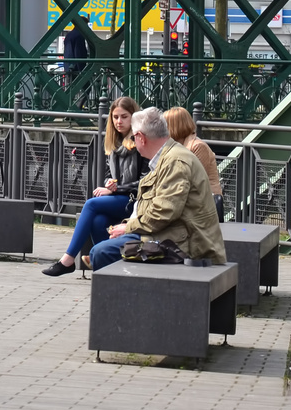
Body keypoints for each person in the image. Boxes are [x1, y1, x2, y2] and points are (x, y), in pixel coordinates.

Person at [86, 106, 225, 271]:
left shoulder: (175, 162)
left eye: (133, 137)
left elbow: (164, 212)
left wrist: (128, 227)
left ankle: (130, 294)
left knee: (101, 252)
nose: (132, 141)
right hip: (173, 235)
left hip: (187, 247)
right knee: (103, 236)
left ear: (140, 138)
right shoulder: (168, 156)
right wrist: (129, 224)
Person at [42, 97, 143, 276]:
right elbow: (107, 174)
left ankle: (68, 259)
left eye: (124, 117)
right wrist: (109, 183)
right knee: (98, 221)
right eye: (115, 117)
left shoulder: (140, 141)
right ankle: (106, 269)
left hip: (135, 200)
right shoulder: (112, 142)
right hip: (119, 197)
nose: (119, 121)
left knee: (91, 204)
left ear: (133, 117)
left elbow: (145, 181)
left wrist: (116, 188)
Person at [164, 106, 224, 223]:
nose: (162, 130)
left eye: (165, 125)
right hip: (187, 200)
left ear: (174, 126)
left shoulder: (197, 146)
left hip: (203, 203)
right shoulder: (175, 146)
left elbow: (191, 180)